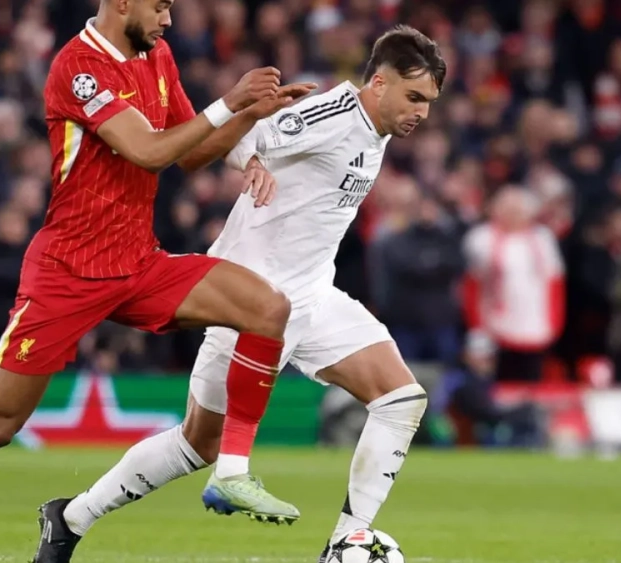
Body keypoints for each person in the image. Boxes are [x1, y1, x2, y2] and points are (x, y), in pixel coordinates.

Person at [0, 0, 317, 561]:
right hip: (68, 272)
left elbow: (190, 151)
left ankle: (232, 469)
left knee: (267, 309)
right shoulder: (77, 67)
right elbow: (149, 151)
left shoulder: (157, 56)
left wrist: (248, 117)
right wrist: (231, 100)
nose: (168, 20)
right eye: (160, 7)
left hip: (138, 262)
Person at [36, 25, 446, 563]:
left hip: (314, 295)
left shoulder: (379, 127)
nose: (421, 112)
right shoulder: (331, 114)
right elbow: (242, 137)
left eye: (430, 102)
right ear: (377, 83)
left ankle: (349, 540)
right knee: (198, 444)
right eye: (413, 97)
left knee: (401, 399)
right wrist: (252, 160)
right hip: (250, 299)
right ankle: (71, 517)